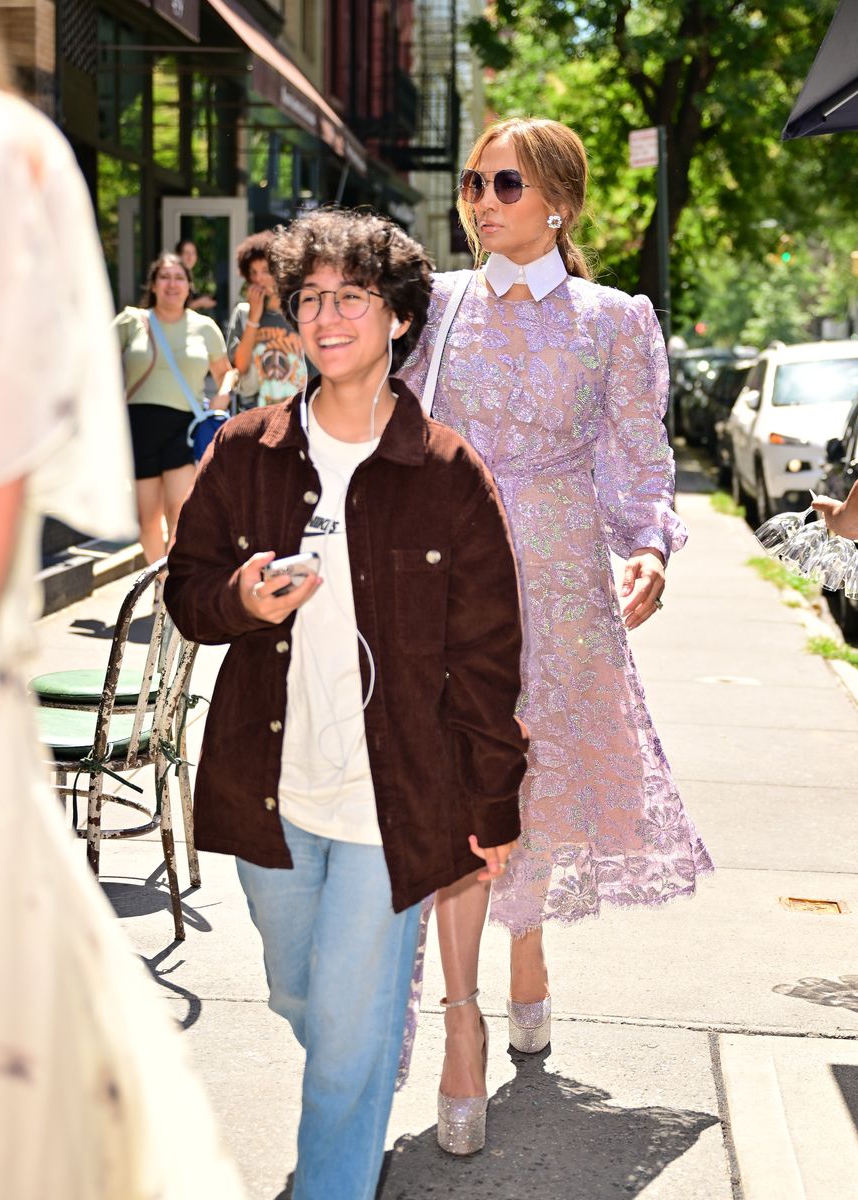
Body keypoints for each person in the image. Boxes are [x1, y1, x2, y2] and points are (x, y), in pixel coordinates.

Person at [164, 208, 528, 1198]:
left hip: (395, 801)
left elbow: (492, 656)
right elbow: (186, 591)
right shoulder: (247, 450)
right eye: (310, 298)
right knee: (307, 999)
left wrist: (493, 801)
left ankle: (336, 1169)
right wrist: (237, 596)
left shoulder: (448, 472)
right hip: (269, 790)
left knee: (345, 1043)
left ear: (398, 318)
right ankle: (360, 1075)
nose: (326, 317)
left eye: (350, 298)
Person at [0, 13, 246, 1195]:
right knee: (152, 524)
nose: (171, 276)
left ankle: (169, 594)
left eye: (178, 269)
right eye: (168, 269)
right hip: (133, 428)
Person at [400, 116, 714, 1151]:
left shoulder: (614, 320)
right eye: (472, 184)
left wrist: (651, 549)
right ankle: (461, 1019)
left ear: (555, 203)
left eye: (501, 184)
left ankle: (524, 943)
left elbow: (636, 462)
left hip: (562, 586)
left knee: (526, 779)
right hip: (448, 579)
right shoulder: (434, 308)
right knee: (452, 779)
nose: (479, 201)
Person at [115, 252, 234, 564]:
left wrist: (222, 395)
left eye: (179, 277)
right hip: (139, 427)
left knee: (178, 514)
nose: (172, 284)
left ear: (189, 285)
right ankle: (161, 579)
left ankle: (169, 592)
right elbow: (97, 362)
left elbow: (227, 372)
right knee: (146, 520)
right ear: (153, 284)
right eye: (164, 277)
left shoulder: (204, 327)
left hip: (185, 428)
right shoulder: (131, 322)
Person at [225, 230, 309, 409]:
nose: (258, 279)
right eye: (253, 272)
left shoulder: (301, 312)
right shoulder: (243, 313)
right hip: (254, 411)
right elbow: (240, 366)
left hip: (297, 412)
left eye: (265, 271)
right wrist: (254, 318)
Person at [175, 237, 217, 312]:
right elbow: (175, 308)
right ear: (178, 255)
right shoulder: (175, 277)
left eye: (193, 253)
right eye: (186, 253)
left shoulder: (190, 276)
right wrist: (200, 303)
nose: (190, 257)